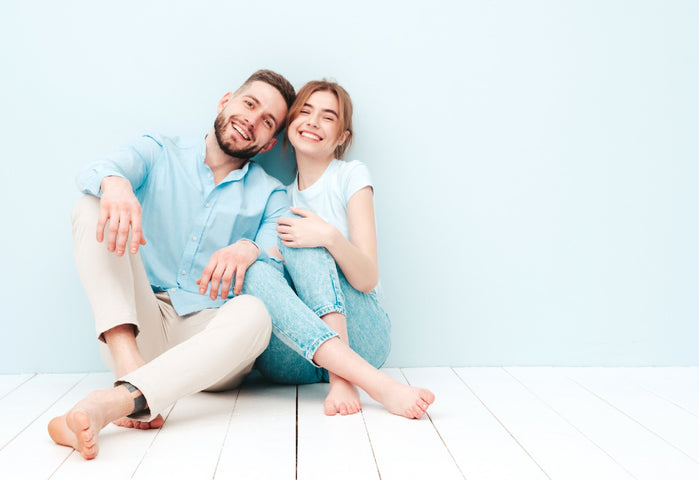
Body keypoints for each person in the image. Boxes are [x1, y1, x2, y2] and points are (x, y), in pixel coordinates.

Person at [48, 69, 297, 460]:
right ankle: (130, 375)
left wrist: (248, 248)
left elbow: (278, 260)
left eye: (268, 121)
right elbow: (94, 171)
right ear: (225, 101)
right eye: (249, 104)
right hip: (136, 329)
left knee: (257, 313)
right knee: (89, 203)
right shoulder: (159, 150)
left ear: (268, 145)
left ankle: (114, 399)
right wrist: (116, 185)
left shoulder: (271, 194)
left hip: (208, 342)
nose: (252, 119)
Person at [244, 80, 436, 417]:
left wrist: (330, 237)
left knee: (307, 238)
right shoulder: (280, 197)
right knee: (257, 269)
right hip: (300, 353)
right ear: (290, 124)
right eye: (305, 111)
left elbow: (366, 279)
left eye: (327, 117)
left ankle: (350, 378)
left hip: (364, 339)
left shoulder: (350, 175)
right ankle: (342, 373)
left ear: (342, 137)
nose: (313, 122)